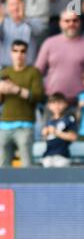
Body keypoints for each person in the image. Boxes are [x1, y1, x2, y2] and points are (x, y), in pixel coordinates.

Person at [35, 10, 84, 106]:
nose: (71, 24)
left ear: (80, 22)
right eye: (67, 21)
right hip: (53, 103)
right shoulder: (49, 43)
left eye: (75, 20)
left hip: (82, 103)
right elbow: (37, 72)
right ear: (60, 23)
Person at [0, 39, 45, 167]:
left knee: (27, 164)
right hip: (4, 124)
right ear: (11, 53)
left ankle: (29, 188)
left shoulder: (33, 72)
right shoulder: (4, 72)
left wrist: (16, 89)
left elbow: (38, 97)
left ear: (27, 54)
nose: (19, 54)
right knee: (2, 165)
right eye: (15, 51)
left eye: (22, 51)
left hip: (25, 124)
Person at [42, 92, 78, 167]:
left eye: (60, 103)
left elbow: (73, 137)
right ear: (49, 106)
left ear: (65, 104)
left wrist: (56, 132)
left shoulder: (69, 119)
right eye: (53, 103)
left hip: (62, 156)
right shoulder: (49, 121)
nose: (57, 106)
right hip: (48, 156)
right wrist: (45, 134)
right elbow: (47, 139)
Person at [0, 0, 36, 67]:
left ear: (23, 5)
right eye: (12, 4)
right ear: (7, 8)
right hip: (6, 68)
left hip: (27, 69)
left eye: (18, 4)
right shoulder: (3, 23)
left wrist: (24, 18)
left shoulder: (33, 22)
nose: (15, 7)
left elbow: (38, 33)